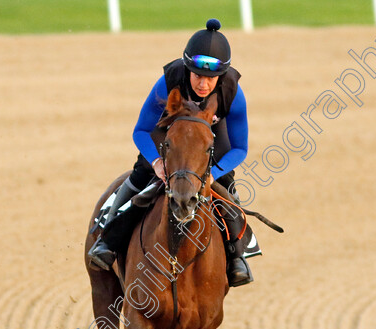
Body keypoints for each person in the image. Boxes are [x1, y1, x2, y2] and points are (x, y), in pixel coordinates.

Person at [88, 18, 254, 287]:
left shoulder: (233, 94)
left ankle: (237, 256)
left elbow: (239, 148)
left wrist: (214, 174)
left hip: (208, 140)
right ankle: (106, 241)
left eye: (211, 78)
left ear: (220, 76)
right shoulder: (168, 82)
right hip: (170, 135)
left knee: (227, 189)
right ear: (187, 69)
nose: (203, 84)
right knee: (140, 177)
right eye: (197, 75)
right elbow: (141, 131)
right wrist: (154, 162)